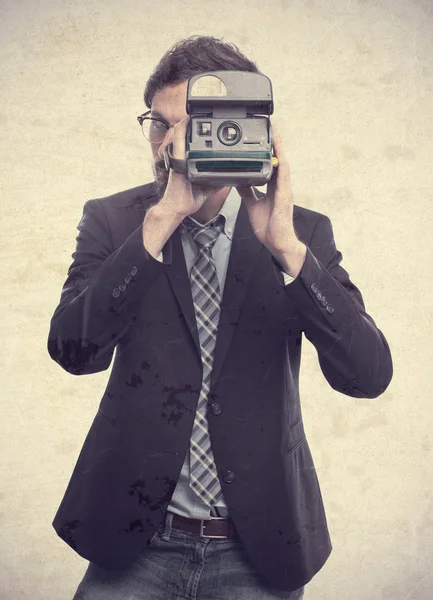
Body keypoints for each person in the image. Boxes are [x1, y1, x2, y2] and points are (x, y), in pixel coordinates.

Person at [47, 36, 393, 600]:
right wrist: (159, 224)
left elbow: (368, 376)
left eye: (190, 127)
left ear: (248, 130)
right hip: (136, 542)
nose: (168, 145)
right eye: (159, 125)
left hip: (258, 547)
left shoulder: (302, 232)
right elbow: (73, 352)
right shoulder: (114, 220)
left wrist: (289, 252)